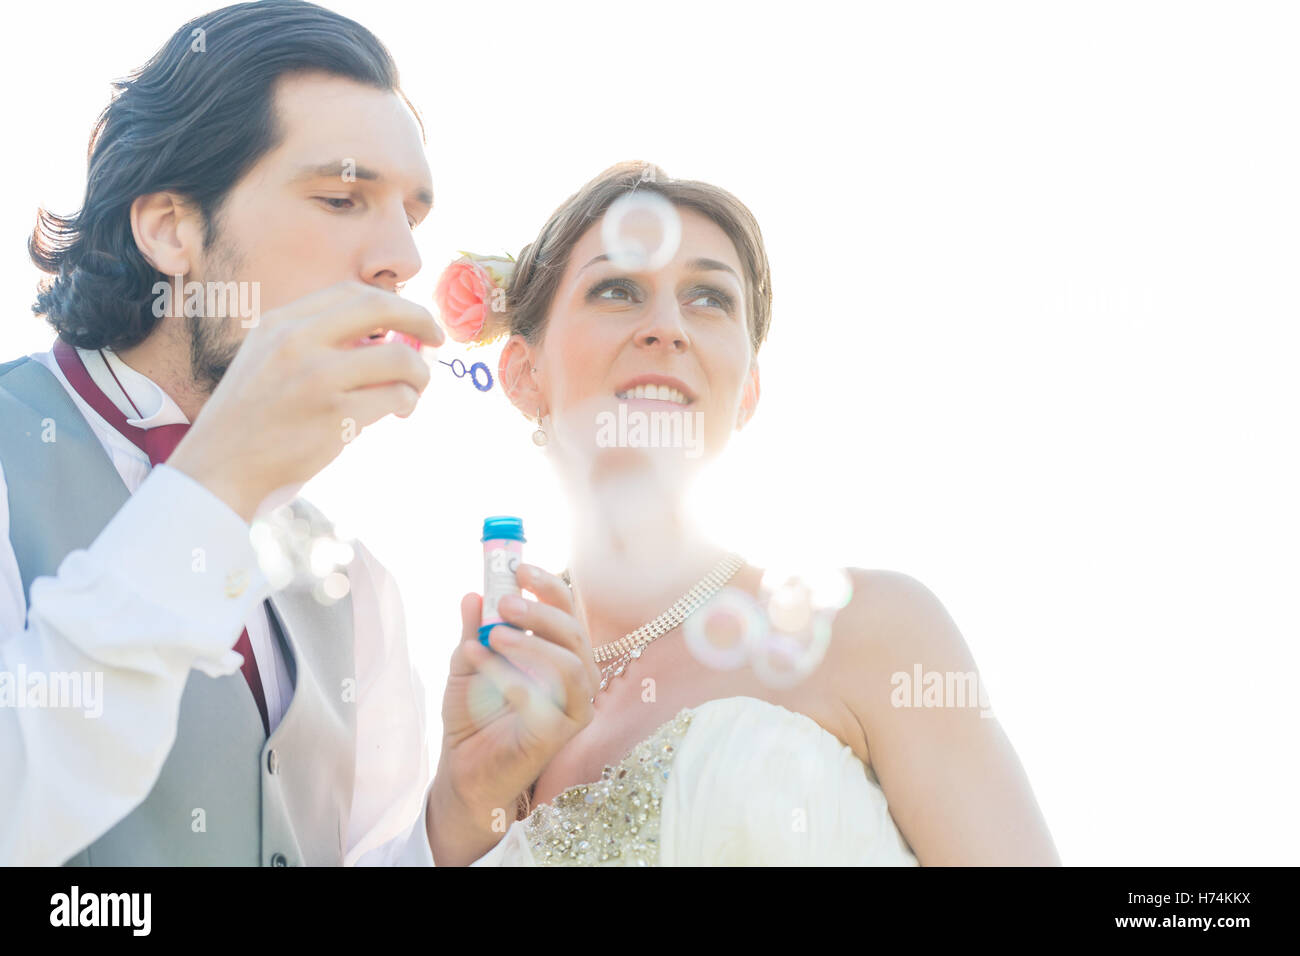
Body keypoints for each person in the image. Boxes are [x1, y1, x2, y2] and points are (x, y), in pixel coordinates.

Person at [0, 0, 593, 867]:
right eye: (342, 197)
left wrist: (457, 816)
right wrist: (213, 488)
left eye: (411, 216)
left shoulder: (355, 588)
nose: (402, 259)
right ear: (172, 228)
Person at [443, 161, 1061, 865]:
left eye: (709, 298)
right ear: (524, 373)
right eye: (618, 289)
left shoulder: (874, 631)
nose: (667, 327)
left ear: (747, 391)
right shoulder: (492, 709)